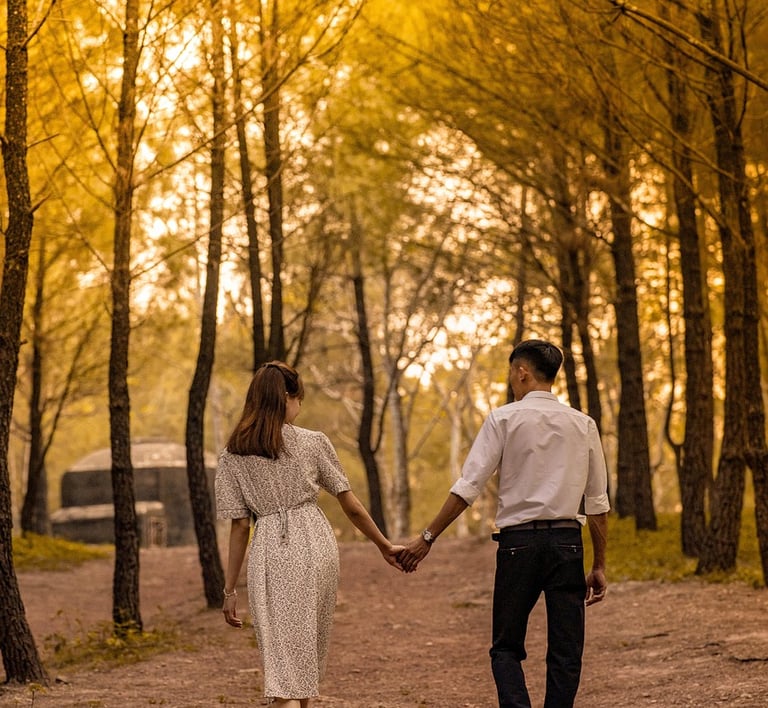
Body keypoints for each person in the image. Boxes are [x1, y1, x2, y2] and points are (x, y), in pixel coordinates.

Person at [398, 339, 610, 708]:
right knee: (567, 649)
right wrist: (599, 565)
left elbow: (469, 487)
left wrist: (427, 538)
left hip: (518, 546)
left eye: (512, 372)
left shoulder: (504, 418)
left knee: (507, 647)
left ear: (521, 372)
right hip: (566, 544)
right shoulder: (583, 424)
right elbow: (597, 503)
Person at [215, 361, 404, 708]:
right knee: (305, 651)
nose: (299, 408)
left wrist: (229, 590)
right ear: (287, 398)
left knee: (283, 663)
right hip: (315, 544)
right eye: (298, 399)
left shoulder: (232, 454)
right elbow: (351, 505)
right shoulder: (313, 442)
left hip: (270, 548)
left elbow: (240, 525)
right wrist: (383, 544)